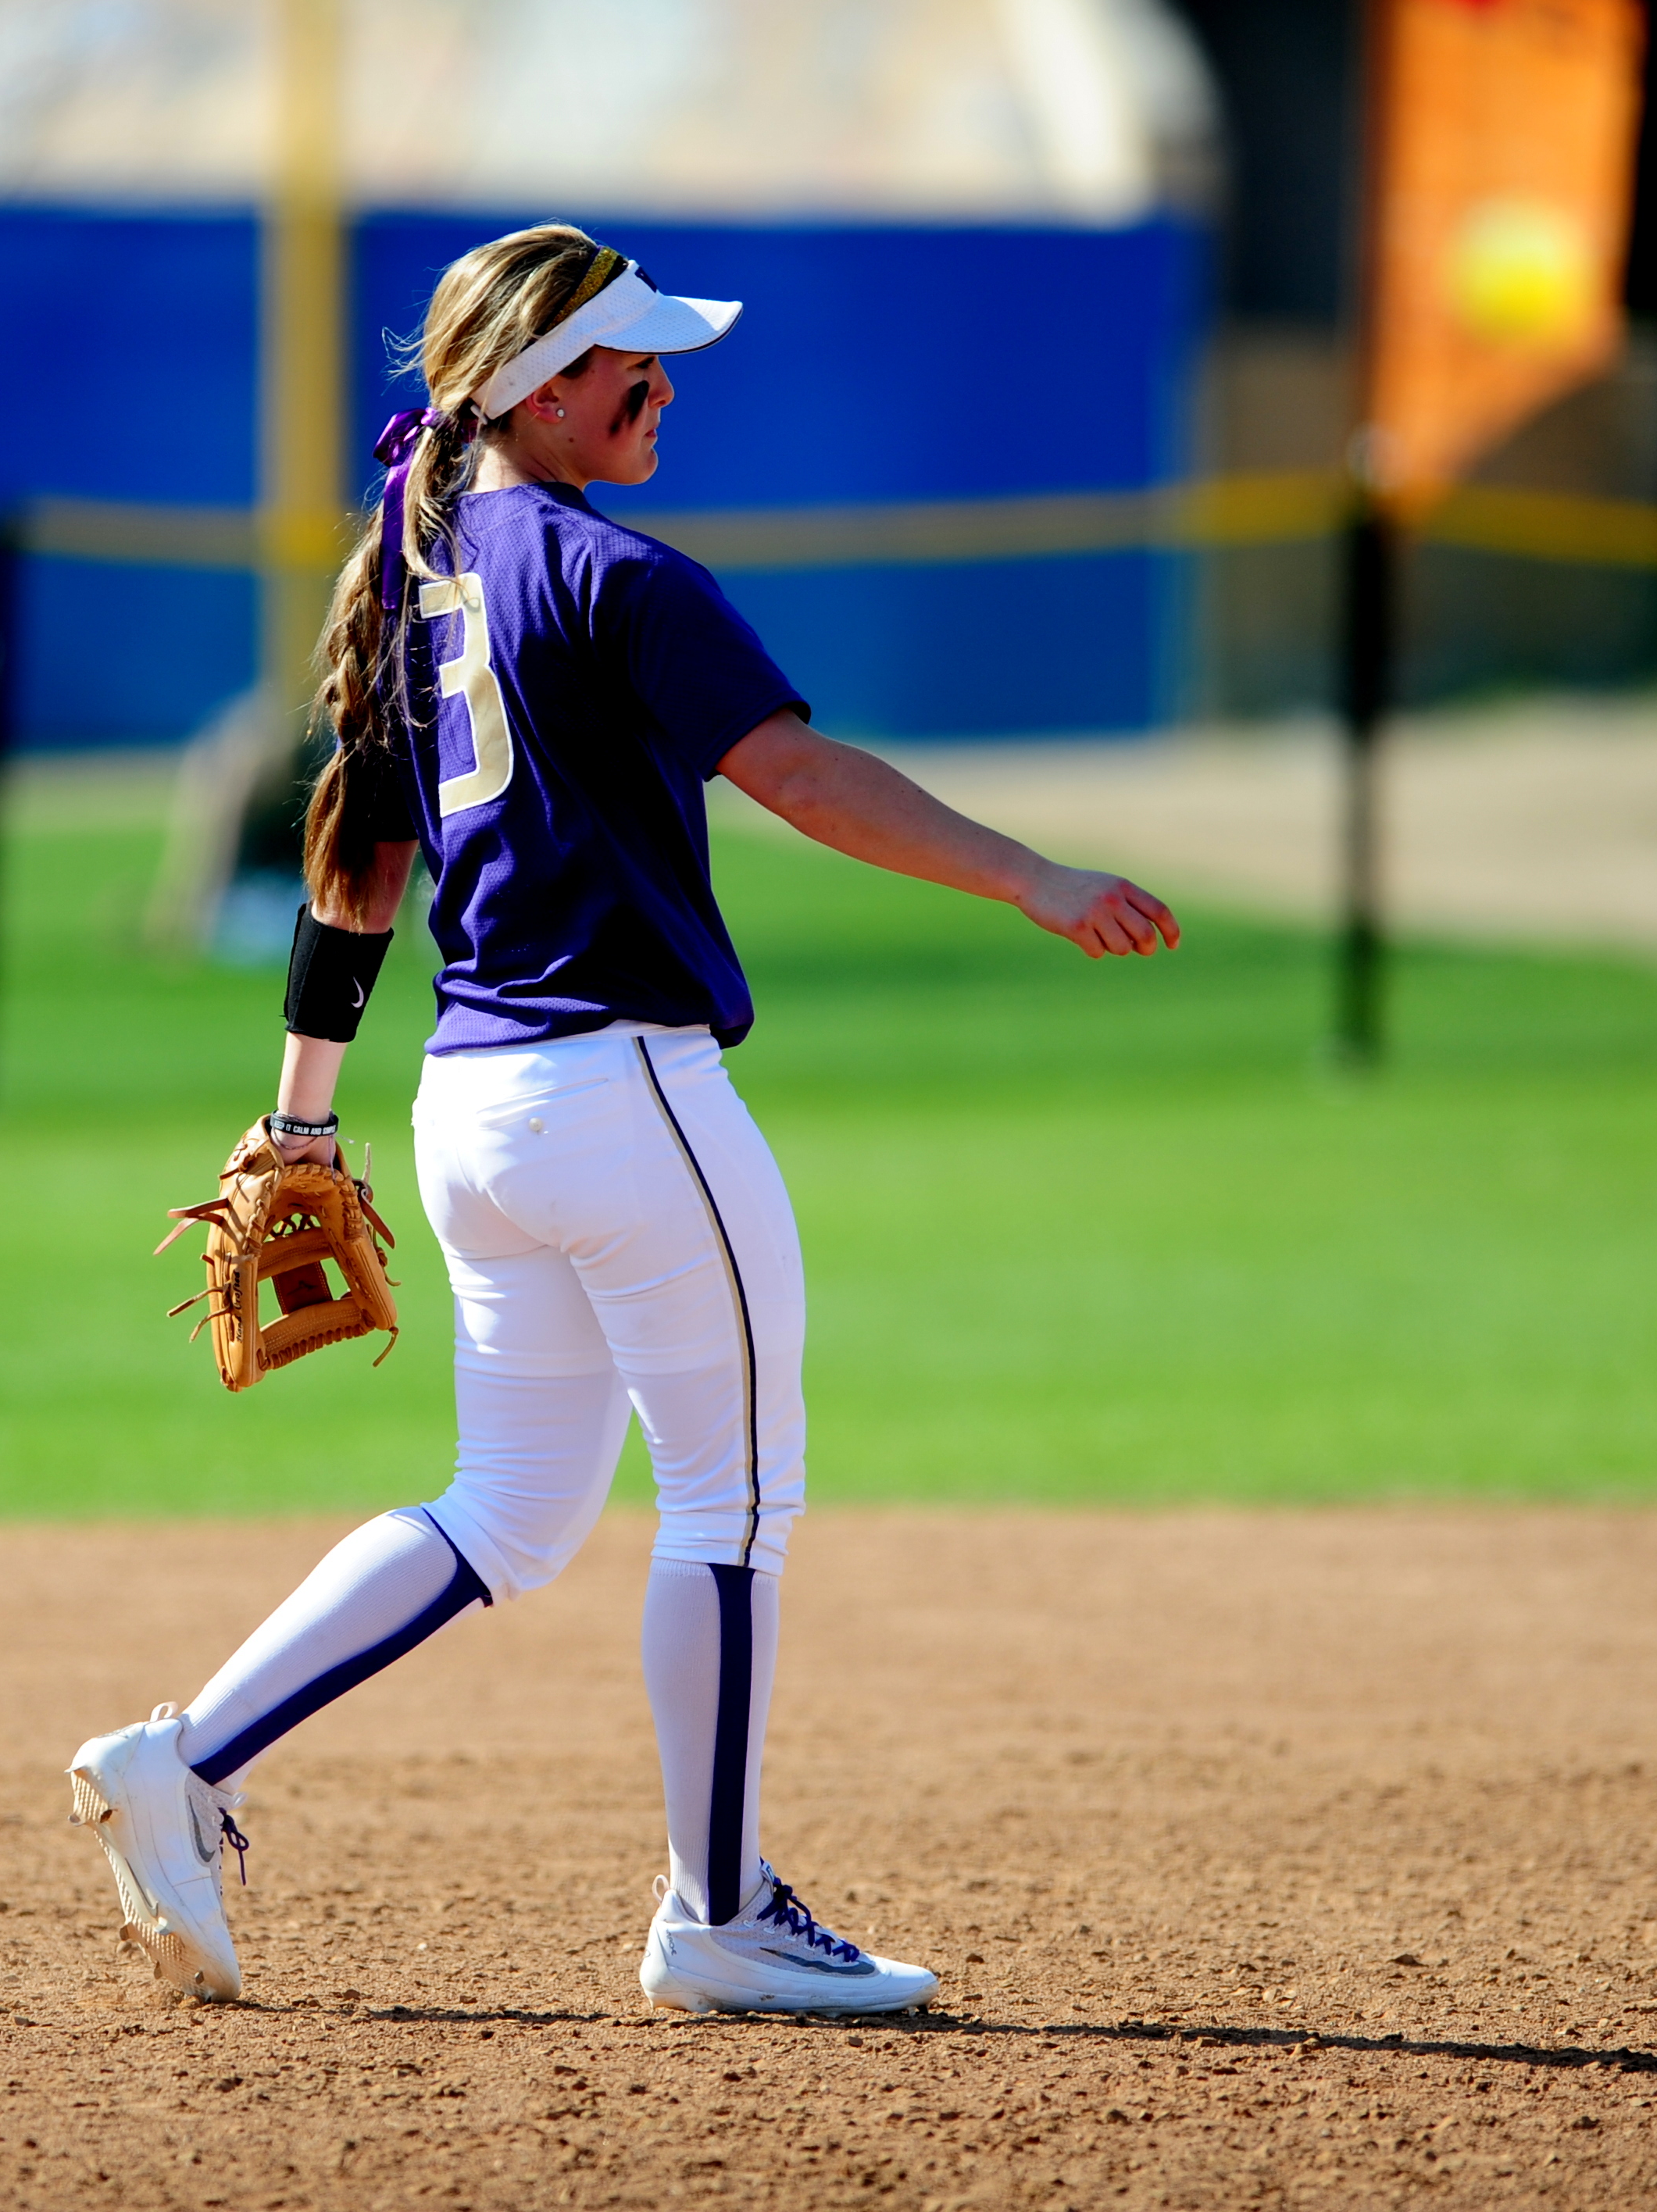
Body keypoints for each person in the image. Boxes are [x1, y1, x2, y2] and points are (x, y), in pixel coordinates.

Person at [70, 225, 1178, 2016]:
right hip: (625, 1090)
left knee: (508, 1504)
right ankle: (721, 1910)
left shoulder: (417, 572)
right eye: (631, 365)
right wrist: (1031, 875)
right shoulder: (616, 572)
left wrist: (300, 1118)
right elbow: (803, 777)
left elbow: (357, 861)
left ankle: (183, 1758)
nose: (664, 387)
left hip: (471, 1105)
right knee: (734, 1495)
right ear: (537, 388)